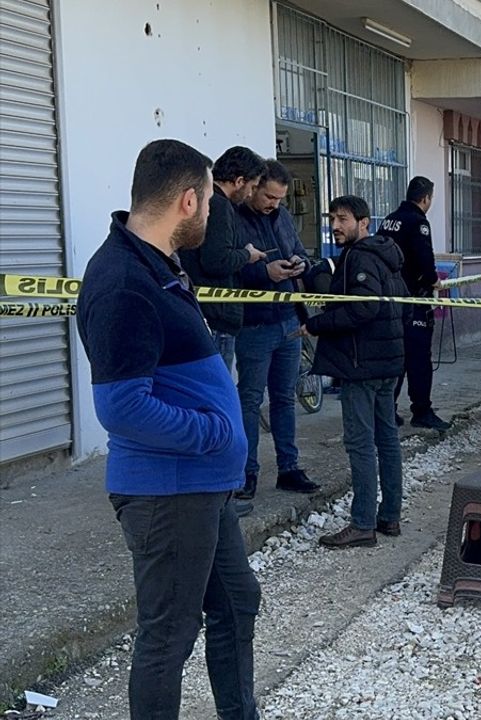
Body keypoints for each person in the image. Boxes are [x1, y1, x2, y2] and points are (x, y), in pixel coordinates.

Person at [77, 139, 259, 719]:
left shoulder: (155, 263)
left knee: (237, 603)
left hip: (201, 485)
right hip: (168, 490)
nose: (212, 213)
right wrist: (213, 433)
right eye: (209, 200)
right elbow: (122, 407)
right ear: (187, 201)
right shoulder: (123, 282)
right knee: (168, 637)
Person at [303, 196, 408, 546]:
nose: (335, 225)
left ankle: (363, 523)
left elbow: (363, 308)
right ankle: (389, 516)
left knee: (361, 443)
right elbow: (402, 302)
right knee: (387, 439)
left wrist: (317, 324)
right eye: (332, 218)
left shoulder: (359, 256)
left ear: (364, 223)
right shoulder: (386, 254)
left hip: (362, 364)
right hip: (387, 361)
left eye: (343, 219)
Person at [233, 160, 319, 499]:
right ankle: (246, 473)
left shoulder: (282, 216)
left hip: (289, 319)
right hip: (255, 324)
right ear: (253, 187)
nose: (274, 204)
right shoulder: (234, 218)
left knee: (284, 398)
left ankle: (289, 468)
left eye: (280, 199)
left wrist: (300, 264)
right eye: (269, 197)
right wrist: (264, 273)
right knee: (250, 400)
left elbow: (298, 250)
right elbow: (227, 269)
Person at [176, 146, 267, 370]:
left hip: (201, 312)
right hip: (217, 317)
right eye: (252, 187)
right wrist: (247, 254)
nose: (250, 195)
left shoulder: (205, 202)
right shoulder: (219, 205)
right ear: (239, 181)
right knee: (215, 388)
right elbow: (216, 260)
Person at [381, 176, 450, 431]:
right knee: (419, 357)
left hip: (389, 299)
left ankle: (387, 409)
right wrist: (433, 280)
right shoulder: (418, 222)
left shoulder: (390, 219)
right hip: (413, 300)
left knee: (394, 356)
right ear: (426, 198)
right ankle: (422, 410)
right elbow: (424, 260)